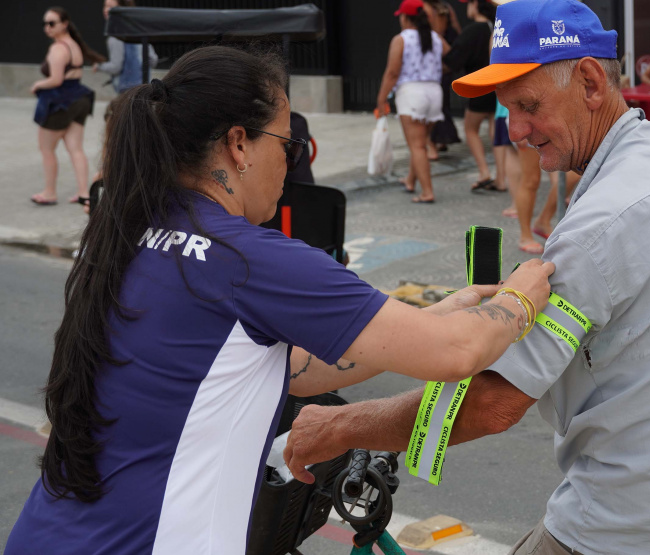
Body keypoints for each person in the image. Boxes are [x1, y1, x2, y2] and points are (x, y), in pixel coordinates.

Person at [5, 45, 554, 555]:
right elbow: (456, 353)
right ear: (239, 143)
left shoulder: (130, 228)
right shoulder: (252, 259)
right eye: (288, 145)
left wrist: (431, 315)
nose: (291, 167)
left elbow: (273, 368)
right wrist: (522, 296)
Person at [284, 1, 650, 554]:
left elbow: (493, 404)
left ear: (591, 82)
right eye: (506, 109)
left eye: (528, 105)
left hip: (639, 526)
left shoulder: (599, 227)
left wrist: (335, 428)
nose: (516, 130)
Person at [30, 6, 105, 207]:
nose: (47, 27)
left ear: (64, 24)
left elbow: (55, 80)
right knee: (75, 148)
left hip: (60, 102)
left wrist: (37, 84)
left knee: (46, 149)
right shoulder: (74, 45)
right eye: (45, 23)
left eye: (52, 23)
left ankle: (49, 192)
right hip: (79, 98)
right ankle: (84, 193)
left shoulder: (58, 48)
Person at [376, 0, 448, 204]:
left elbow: (392, 73)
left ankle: (427, 192)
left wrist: (381, 99)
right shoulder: (436, 38)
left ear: (406, 18)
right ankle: (410, 180)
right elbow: (451, 56)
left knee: (417, 147)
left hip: (412, 93)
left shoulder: (401, 39)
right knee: (422, 143)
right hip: (434, 92)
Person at [445, 0, 498, 191]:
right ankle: (501, 176)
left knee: (470, 128)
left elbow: (453, 58)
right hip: (498, 85)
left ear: (476, 5)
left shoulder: (473, 30)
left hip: (479, 85)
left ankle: (484, 172)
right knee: (495, 131)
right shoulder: (495, 27)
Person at [93, 0, 159, 94]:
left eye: (111, 7)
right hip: (144, 90)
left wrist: (99, 66)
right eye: (105, 6)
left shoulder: (116, 36)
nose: (106, 10)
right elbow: (153, 60)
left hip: (126, 92)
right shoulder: (139, 31)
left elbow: (116, 67)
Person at [424, 0, 462, 157]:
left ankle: (432, 145)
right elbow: (457, 31)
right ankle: (440, 141)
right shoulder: (446, 8)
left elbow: (432, 34)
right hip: (445, 63)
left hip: (433, 62)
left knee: (430, 109)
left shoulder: (426, 8)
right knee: (441, 104)